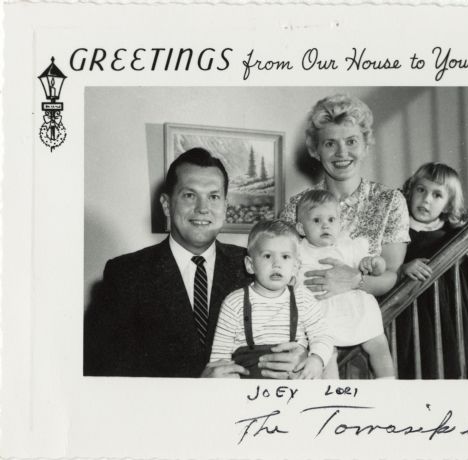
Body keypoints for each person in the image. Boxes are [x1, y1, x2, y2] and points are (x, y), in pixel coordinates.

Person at [84, 148, 305, 378]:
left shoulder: (255, 266)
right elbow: (106, 374)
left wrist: (302, 355)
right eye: (189, 195)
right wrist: (196, 387)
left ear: (226, 207)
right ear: (167, 205)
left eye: (213, 196)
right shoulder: (125, 274)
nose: (202, 208)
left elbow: (297, 328)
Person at [280, 94, 410, 303]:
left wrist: (353, 281)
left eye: (351, 141)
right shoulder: (296, 206)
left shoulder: (390, 201)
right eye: (330, 143)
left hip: (366, 321)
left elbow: (391, 273)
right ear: (315, 150)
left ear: (366, 146)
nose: (342, 153)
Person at [395, 162, 468, 379]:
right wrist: (402, 269)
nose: (426, 199)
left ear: (448, 205)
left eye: (437, 195)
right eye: (421, 190)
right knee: (419, 366)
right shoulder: (397, 230)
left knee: (453, 363)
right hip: (413, 313)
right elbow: (384, 265)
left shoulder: (454, 233)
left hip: (452, 311)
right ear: (410, 192)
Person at [210, 220, 334, 379]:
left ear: (296, 266)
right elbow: (219, 355)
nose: (277, 264)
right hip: (247, 386)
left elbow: (322, 336)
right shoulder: (234, 302)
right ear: (250, 265)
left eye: (285, 256)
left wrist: (317, 359)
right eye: (267, 256)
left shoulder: (303, 299)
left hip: (293, 383)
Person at [295, 190, 395, 378]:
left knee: (378, 343)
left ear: (340, 224)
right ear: (301, 229)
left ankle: (388, 385)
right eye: (317, 220)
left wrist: (374, 264)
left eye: (331, 220)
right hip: (322, 313)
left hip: (356, 308)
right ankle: (331, 393)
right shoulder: (299, 251)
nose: (325, 225)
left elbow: (379, 268)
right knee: (325, 353)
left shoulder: (348, 246)